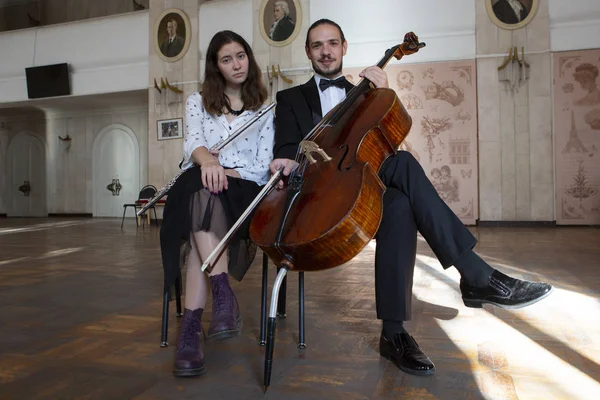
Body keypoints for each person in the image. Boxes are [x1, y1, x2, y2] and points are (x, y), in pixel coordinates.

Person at [269, 19, 553, 377]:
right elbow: (284, 150)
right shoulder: (289, 99)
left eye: (332, 43)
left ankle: (394, 334)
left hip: (357, 188)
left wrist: (379, 94)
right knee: (402, 167)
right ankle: (475, 275)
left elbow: (377, 147)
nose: (325, 51)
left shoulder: (364, 91)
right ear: (308, 52)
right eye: (317, 45)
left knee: (399, 202)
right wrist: (287, 158)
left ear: (344, 47)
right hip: (318, 198)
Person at [160, 30, 273, 377]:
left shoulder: (265, 109)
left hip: (241, 191)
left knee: (200, 221)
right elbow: (192, 143)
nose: (236, 64)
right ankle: (222, 296)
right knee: (199, 186)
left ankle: (190, 333)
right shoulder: (197, 101)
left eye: (241, 56)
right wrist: (208, 163)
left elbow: (261, 165)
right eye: (227, 59)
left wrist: (224, 170)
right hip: (202, 187)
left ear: (249, 59)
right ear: (216, 66)